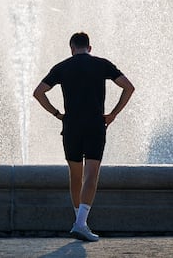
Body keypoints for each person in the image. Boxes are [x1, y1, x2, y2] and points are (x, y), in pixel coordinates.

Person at [33, 32, 136, 242]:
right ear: (90, 48)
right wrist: (113, 114)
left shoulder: (62, 66)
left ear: (71, 48)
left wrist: (57, 114)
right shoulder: (102, 64)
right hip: (95, 125)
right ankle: (81, 223)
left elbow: (38, 92)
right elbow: (128, 87)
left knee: (75, 175)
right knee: (91, 174)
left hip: (71, 125)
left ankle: (79, 222)